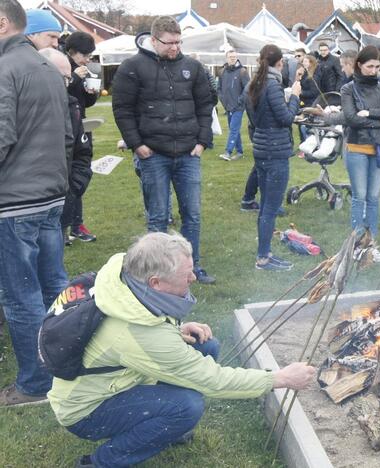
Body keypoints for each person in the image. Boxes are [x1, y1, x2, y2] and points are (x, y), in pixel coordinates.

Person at [47, 232, 316, 467]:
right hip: (87, 410)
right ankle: (102, 462)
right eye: (185, 274)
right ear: (155, 283)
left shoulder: (127, 279)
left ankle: (165, 427)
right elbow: (213, 381)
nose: (193, 277)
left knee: (205, 346)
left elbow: (138, 334)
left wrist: (177, 329)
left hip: (118, 379)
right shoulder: (139, 334)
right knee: (187, 407)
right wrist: (278, 379)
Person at [0, 0, 71, 406]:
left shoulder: (6, 68)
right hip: (48, 197)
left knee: (21, 295)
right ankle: (66, 367)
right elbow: (65, 135)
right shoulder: (47, 65)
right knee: (54, 288)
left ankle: (34, 384)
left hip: (16, 202)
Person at [112, 17, 217, 284]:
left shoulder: (192, 67)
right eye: (170, 43)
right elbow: (122, 109)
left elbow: (205, 106)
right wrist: (137, 144)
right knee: (157, 217)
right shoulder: (132, 67)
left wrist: (202, 141)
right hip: (153, 155)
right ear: (154, 39)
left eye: (179, 42)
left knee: (192, 215)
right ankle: (154, 271)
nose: (175, 48)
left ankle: (192, 269)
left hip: (187, 154)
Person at [246, 44, 301, 271]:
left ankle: (265, 253)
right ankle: (263, 258)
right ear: (280, 63)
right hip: (275, 151)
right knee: (270, 207)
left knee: (265, 206)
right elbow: (286, 117)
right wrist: (295, 97)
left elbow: (254, 117)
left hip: (261, 147)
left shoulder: (254, 83)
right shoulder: (273, 85)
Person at [339, 46, 380, 238]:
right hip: (357, 147)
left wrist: (370, 113)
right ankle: (356, 241)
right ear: (359, 65)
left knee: (373, 197)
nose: (374, 71)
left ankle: (371, 241)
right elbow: (350, 118)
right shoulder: (348, 88)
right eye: (370, 66)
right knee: (360, 196)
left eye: (377, 67)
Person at [42, 48, 94, 255]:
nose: (67, 82)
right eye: (62, 77)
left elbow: (82, 153)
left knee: (55, 264)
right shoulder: (21, 106)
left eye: (68, 77)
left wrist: (74, 186)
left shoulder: (71, 106)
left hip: (62, 195)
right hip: (27, 202)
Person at [63, 31, 100, 243]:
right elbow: (60, 92)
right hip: (65, 130)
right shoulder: (59, 66)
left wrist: (90, 92)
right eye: (84, 55)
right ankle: (65, 226)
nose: (87, 60)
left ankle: (76, 224)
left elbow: (85, 102)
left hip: (82, 127)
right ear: (72, 52)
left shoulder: (82, 70)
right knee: (68, 178)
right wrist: (75, 77)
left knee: (80, 175)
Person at [218, 49, 250, 161]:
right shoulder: (222, 71)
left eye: (234, 56)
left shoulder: (242, 71)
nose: (233, 58)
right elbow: (219, 88)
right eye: (230, 56)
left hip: (238, 107)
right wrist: (223, 100)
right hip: (228, 106)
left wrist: (240, 101)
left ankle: (228, 152)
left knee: (233, 128)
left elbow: (248, 88)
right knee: (234, 129)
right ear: (226, 58)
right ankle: (240, 151)